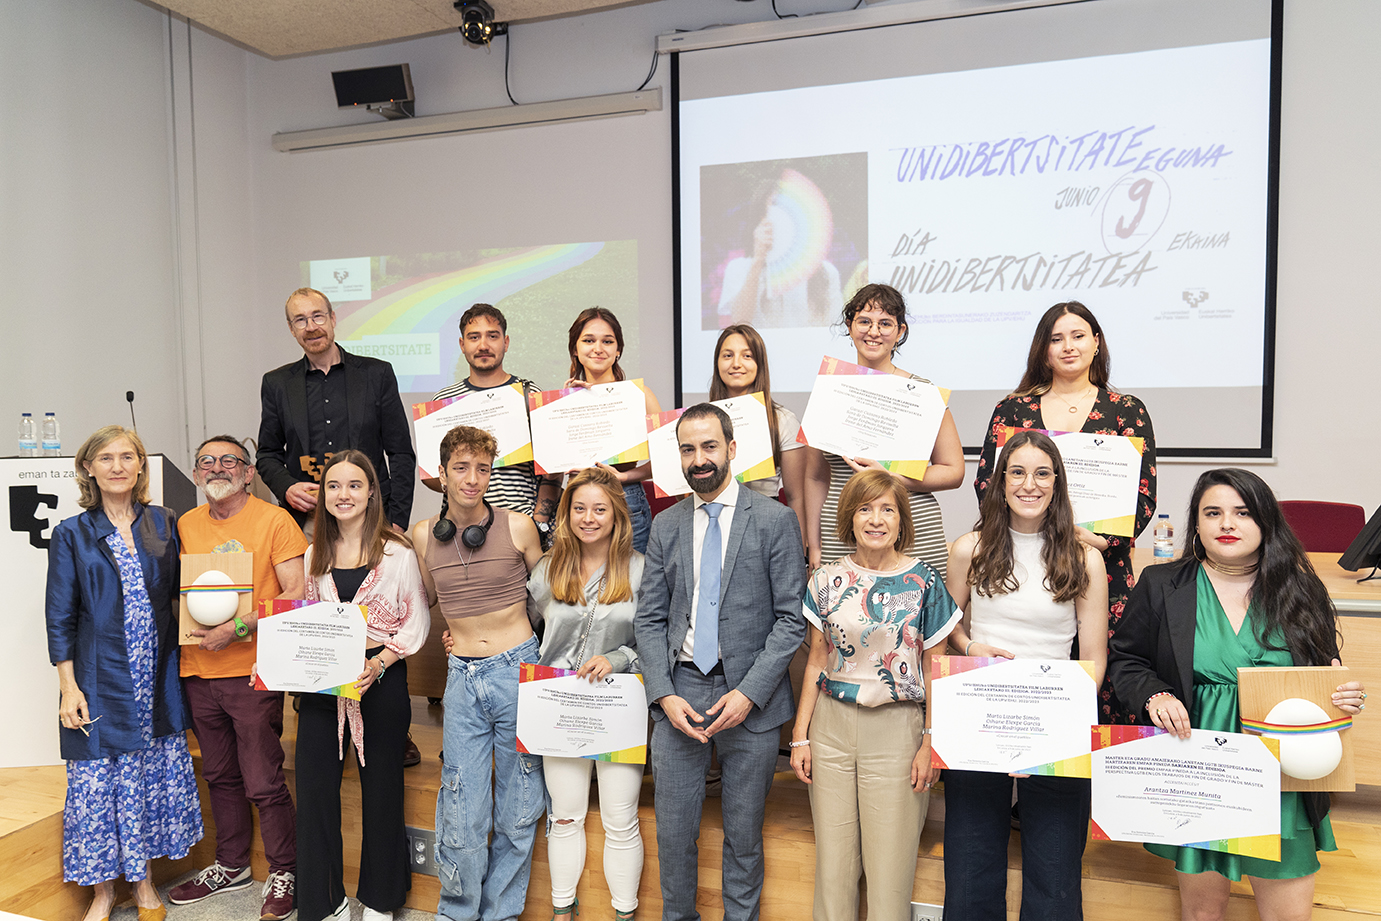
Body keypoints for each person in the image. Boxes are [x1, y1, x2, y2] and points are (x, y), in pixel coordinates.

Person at [1109, 468, 1366, 921]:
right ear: (1197, 523)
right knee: (1202, 913)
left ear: (1266, 521)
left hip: (1283, 771)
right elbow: (1126, 660)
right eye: (1213, 513)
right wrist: (1155, 697)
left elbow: (1327, 671)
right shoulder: (1162, 583)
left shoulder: (1302, 588)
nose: (1227, 523)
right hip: (1196, 766)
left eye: (1243, 512)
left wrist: (1342, 697)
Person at [633, 403, 807, 921]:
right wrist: (663, 694)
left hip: (750, 699)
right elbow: (649, 620)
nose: (699, 459)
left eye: (709, 446)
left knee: (743, 837)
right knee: (673, 835)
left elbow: (791, 620)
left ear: (732, 449)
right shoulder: (666, 525)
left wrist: (749, 693)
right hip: (680, 694)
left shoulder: (775, 519)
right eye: (688, 449)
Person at [941, 430, 1109, 921]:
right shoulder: (968, 549)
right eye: (1016, 472)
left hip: (1055, 725)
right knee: (970, 868)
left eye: (1041, 473)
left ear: (1057, 483)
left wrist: (1043, 735)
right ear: (999, 482)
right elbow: (948, 629)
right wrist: (971, 646)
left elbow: (1094, 659)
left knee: (1055, 875)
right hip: (979, 719)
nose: (1028, 484)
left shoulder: (1085, 558)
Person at [45, 426, 203, 921]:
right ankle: (103, 891)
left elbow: (186, 593)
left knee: (144, 781)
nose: (117, 466)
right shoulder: (71, 533)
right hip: (98, 679)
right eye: (106, 458)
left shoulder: (164, 522)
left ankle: (144, 881)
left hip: (156, 678)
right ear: (88, 468)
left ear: (140, 466)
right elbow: (60, 615)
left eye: (127, 457)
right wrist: (68, 688)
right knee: (97, 784)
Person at [974, 299, 1157, 723]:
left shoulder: (1126, 410)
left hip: (1102, 565)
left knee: (1102, 681)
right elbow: (988, 483)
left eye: (1078, 336)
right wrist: (1037, 532)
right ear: (1043, 349)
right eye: (1056, 339)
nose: (1068, 346)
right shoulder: (1012, 409)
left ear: (1097, 342)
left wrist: (1096, 542)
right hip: (1025, 561)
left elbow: (1143, 495)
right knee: (1025, 685)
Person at [789, 469, 960, 921]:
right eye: (865, 508)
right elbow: (816, 660)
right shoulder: (825, 580)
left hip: (897, 732)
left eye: (887, 509)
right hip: (830, 730)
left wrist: (931, 741)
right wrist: (800, 736)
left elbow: (936, 670)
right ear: (850, 516)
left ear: (902, 520)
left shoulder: (925, 583)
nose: (876, 519)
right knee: (834, 871)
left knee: (889, 876)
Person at [170, 436, 308, 920]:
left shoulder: (275, 520)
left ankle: (285, 870)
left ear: (249, 473)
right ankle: (231, 866)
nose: (217, 468)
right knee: (219, 775)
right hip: (197, 669)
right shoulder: (185, 524)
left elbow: (296, 593)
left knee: (263, 779)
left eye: (229, 460)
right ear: (195, 474)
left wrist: (238, 628)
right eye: (206, 461)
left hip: (252, 670)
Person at [411, 425, 545, 921]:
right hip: (461, 678)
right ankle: (458, 912)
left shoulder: (520, 527)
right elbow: (424, 600)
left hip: (518, 670)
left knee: (519, 802)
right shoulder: (423, 535)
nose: (472, 479)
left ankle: (501, 913)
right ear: (441, 473)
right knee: (461, 803)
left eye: (483, 469)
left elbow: (550, 599)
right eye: (461, 468)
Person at [297, 451, 430, 921]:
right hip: (323, 685)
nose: (344, 494)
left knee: (382, 791)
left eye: (355, 485)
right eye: (334, 486)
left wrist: (380, 663)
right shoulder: (314, 554)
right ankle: (323, 902)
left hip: (382, 679)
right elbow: (307, 622)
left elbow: (417, 619)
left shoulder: (398, 552)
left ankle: (379, 900)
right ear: (323, 495)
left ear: (371, 492)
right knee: (314, 792)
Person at [527, 466, 646, 920]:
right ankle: (562, 912)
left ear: (616, 515)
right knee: (564, 815)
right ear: (567, 513)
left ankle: (624, 913)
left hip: (618, 705)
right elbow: (525, 629)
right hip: (558, 706)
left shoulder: (640, 569)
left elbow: (657, 641)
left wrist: (618, 658)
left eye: (599, 509)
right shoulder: (547, 568)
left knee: (620, 819)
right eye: (579, 508)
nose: (589, 518)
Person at [804, 283, 964, 575]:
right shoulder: (830, 389)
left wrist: (893, 477)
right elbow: (815, 477)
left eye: (885, 323)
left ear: (900, 331)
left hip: (911, 529)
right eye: (864, 321)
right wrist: (814, 543)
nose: (874, 332)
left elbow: (954, 471)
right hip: (842, 531)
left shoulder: (921, 393)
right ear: (850, 326)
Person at [257, 287, 416, 532]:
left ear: (332, 318)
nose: (311, 327)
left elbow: (401, 452)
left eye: (317, 316)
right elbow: (267, 454)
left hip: (371, 515)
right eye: (300, 320)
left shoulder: (376, 375)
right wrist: (286, 487)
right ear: (291, 328)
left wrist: (397, 519)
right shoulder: (277, 383)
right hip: (308, 520)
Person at [428, 303, 560, 540]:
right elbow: (431, 475)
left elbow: (553, 469)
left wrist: (538, 522)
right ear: (462, 345)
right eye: (474, 337)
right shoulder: (443, 402)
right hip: (461, 529)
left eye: (492, 336)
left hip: (521, 527)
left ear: (505, 342)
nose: (483, 345)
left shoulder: (530, 395)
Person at [565, 307, 662, 553]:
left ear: (618, 350)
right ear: (575, 349)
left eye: (607, 341)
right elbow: (552, 467)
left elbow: (667, 459)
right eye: (589, 340)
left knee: (633, 576)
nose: (598, 348)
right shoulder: (561, 402)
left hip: (626, 501)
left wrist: (623, 477)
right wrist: (564, 404)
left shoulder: (640, 396)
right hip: (578, 504)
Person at [708, 323, 808, 546]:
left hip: (765, 528)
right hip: (711, 525)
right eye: (727, 355)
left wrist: (799, 550)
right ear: (717, 363)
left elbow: (796, 497)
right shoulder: (699, 421)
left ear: (759, 364)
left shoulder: (782, 420)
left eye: (747, 356)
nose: (736, 363)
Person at [716, 171, 843, 328]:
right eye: (776, 212)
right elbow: (739, 324)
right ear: (760, 220)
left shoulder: (826, 272)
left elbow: (836, 329)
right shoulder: (738, 269)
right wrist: (758, 260)